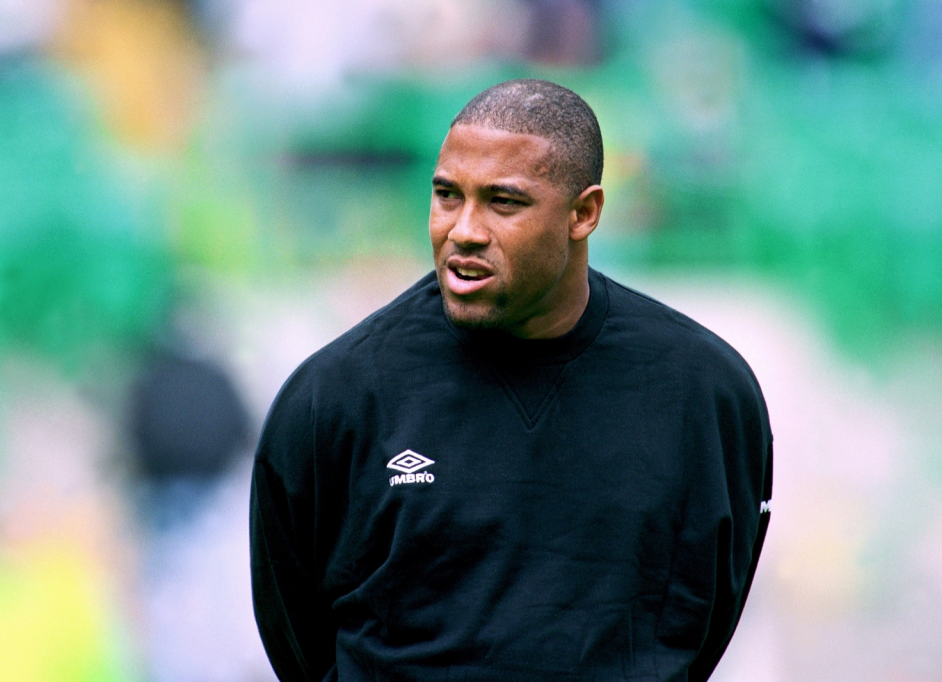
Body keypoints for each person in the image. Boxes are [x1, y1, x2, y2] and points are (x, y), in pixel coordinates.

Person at [250, 78, 773, 682]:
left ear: (585, 213)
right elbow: (297, 638)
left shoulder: (705, 392)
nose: (464, 230)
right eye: (447, 195)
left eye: (503, 202)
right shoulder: (335, 395)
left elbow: (702, 620)